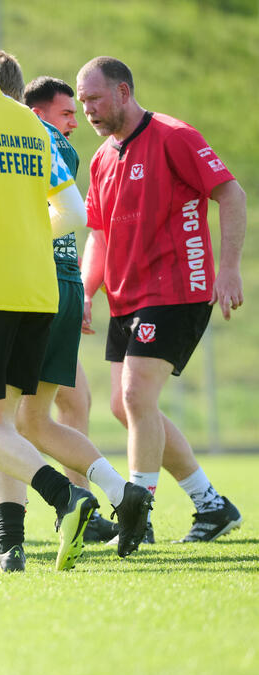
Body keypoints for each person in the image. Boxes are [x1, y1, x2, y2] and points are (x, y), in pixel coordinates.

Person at [0, 22, 143, 573]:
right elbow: (76, 215)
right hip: (38, 291)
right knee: (1, 424)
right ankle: (7, 548)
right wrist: (23, 229)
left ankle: (68, 498)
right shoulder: (29, 123)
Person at [77, 56, 245, 543]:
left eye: (94, 98)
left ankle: (138, 516)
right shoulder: (103, 158)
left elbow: (231, 195)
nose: (87, 109)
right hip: (126, 297)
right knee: (123, 405)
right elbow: (100, 236)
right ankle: (210, 504)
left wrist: (229, 267)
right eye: (82, 101)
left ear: (124, 92)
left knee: (135, 395)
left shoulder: (175, 136)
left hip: (177, 288)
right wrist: (88, 291)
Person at [19, 73, 118, 544]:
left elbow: (71, 221)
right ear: (37, 115)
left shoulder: (59, 148)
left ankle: (81, 508)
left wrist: (78, 285)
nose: (74, 124)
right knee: (2, 419)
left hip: (56, 287)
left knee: (68, 403)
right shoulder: (37, 144)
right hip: (27, 290)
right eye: (66, 114)